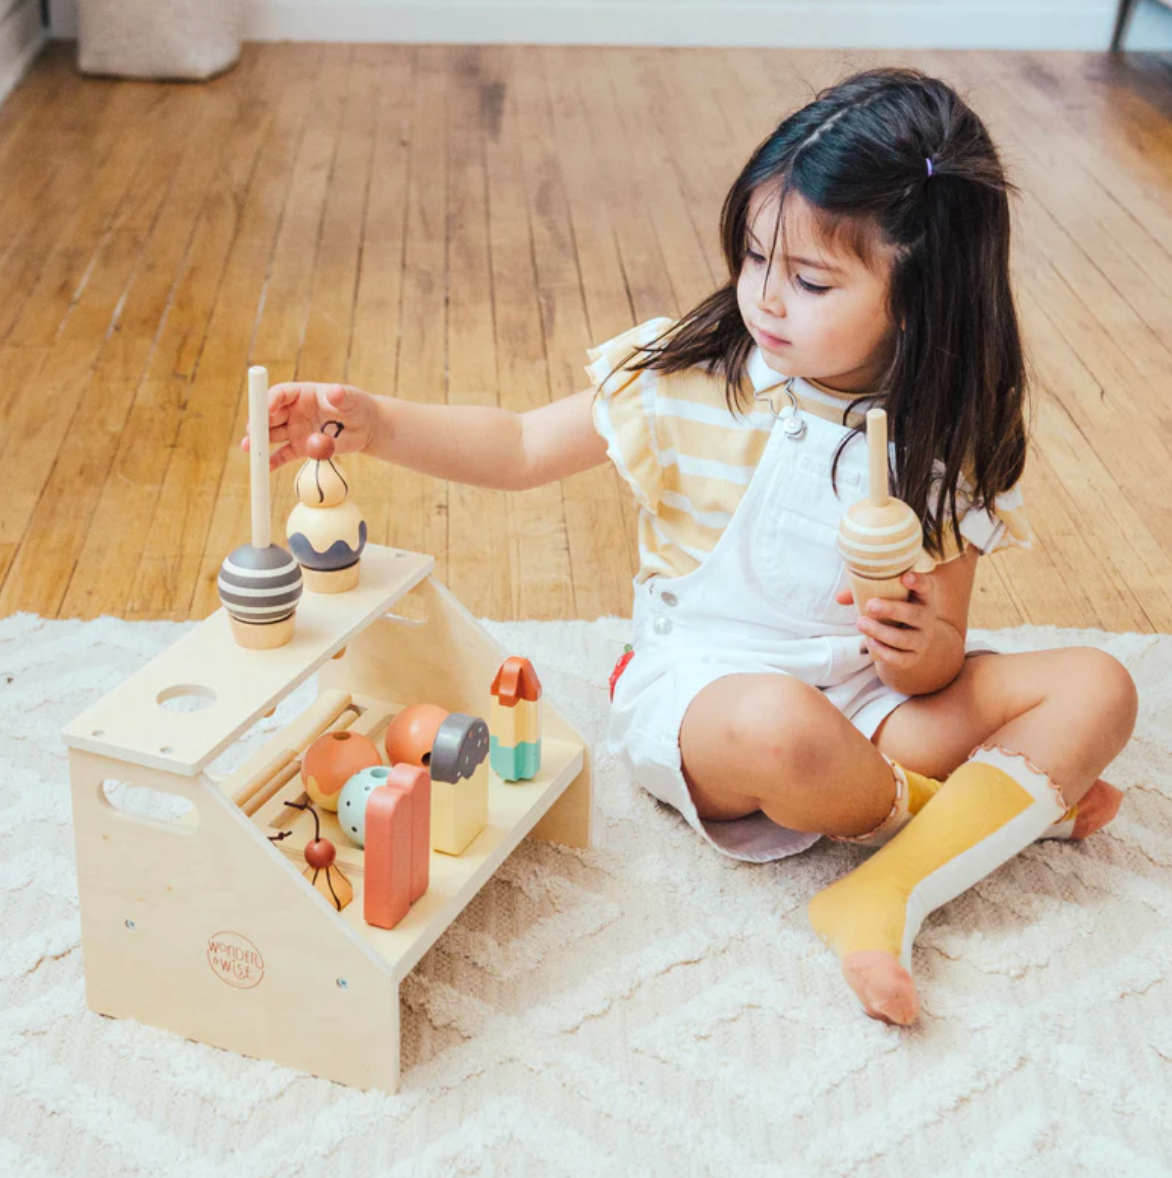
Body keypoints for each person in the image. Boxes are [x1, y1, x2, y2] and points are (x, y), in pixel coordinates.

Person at [242, 68, 1138, 1027]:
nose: (764, 297)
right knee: (783, 727)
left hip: (870, 707)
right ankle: (970, 816)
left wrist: (922, 651)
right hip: (711, 700)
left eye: (809, 279)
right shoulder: (687, 376)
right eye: (753, 257)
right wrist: (378, 424)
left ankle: (886, 887)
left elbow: (937, 662)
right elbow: (516, 446)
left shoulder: (940, 435)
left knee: (1100, 687)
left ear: (918, 297)